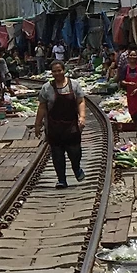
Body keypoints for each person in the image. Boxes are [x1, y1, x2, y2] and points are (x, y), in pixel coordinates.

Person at [34, 59, 86, 188]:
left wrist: (82, 116)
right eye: (54, 71)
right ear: (51, 73)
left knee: (75, 152)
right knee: (57, 154)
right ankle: (61, 179)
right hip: (54, 127)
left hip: (71, 126)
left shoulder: (74, 85)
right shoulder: (46, 88)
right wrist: (38, 124)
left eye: (59, 70)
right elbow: (42, 107)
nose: (57, 73)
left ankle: (76, 168)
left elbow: (80, 101)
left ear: (64, 70)